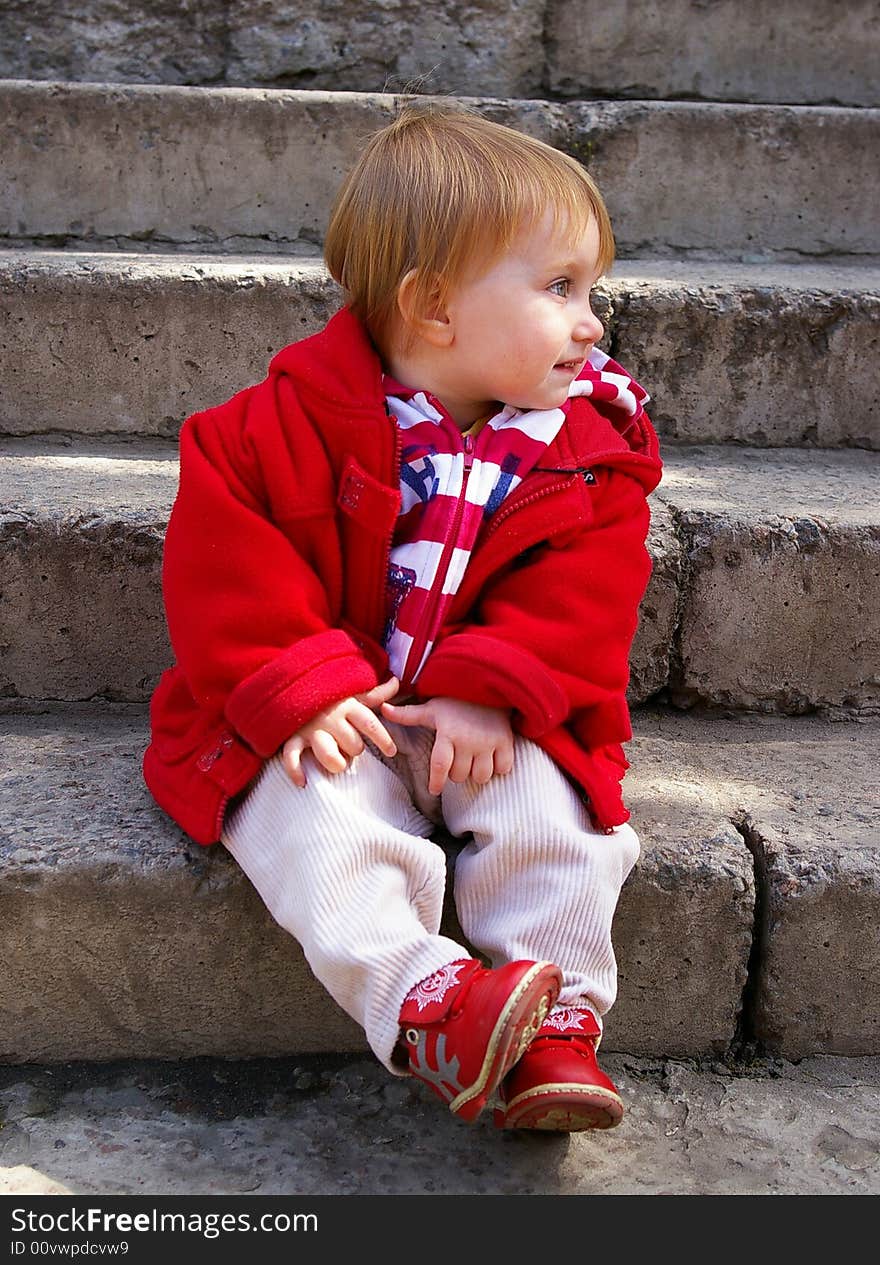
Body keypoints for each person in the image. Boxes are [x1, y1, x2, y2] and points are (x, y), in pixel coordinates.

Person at [143, 104, 662, 1132]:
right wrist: (299, 687)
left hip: (501, 711)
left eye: (589, 287)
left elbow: (586, 594)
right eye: (560, 287)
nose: (592, 318)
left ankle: (552, 1018)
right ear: (432, 306)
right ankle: (433, 1003)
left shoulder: (585, 450)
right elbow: (227, 571)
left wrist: (489, 686)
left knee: (559, 822)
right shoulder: (265, 430)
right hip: (344, 710)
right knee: (310, 815)